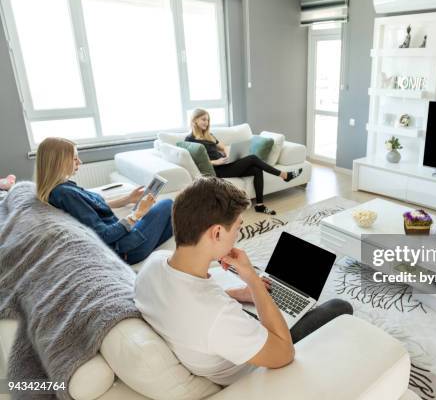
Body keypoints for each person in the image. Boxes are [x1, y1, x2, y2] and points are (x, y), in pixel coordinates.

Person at [135, 177, 352, 385]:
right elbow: (285, 353)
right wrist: (253, 281)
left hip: (221, 339)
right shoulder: (218, 316)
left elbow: (191, 302)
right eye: (238, 227)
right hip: (256, 360)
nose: (238, 235)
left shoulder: (153, 265)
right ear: (217, 232)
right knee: (340, 306)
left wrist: (236, 294)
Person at [35, 137, 173, 265]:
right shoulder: (65, 194)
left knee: (179, 221)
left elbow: (92, 206)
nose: (80, 162)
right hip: (126, 249)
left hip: (125, 241)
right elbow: (104, 235)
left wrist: (128, 199)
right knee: (168, 205)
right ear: (59, 162)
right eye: (75, 158)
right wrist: (138, 213)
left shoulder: (61, 188)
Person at [185, 109, 303, 215]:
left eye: (208, 120)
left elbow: (222, 146)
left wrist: (227, 153)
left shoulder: (209, 135)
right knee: (252, 158)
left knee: (257, 170)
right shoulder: (189, 139)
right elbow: (197, 161)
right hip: (217, 169)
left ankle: (260, 205)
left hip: (225, 163)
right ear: (195, 120)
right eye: (203, 119)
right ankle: (284, 175)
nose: (206, 122)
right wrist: (216, 162)